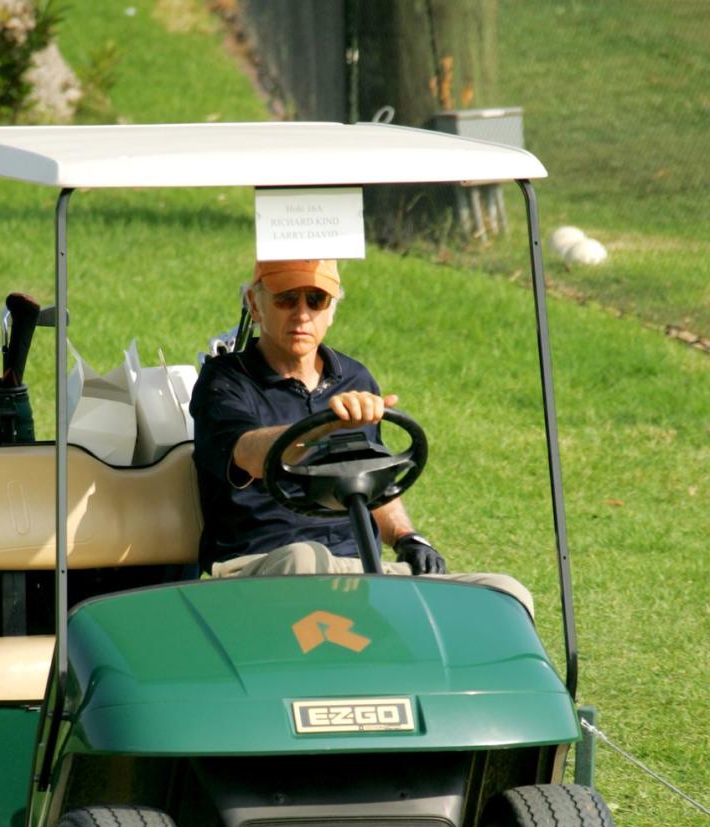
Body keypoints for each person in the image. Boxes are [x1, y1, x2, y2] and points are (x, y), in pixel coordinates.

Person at [189, 258, 533, 616]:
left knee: (505, 595)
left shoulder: (354, 379)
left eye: (316, 301)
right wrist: (327, 425)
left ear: (331, 311)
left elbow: (370, 477)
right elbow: (249, 454)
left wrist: (407, 538)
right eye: (287, 299)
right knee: (306, 559)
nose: (302, 314)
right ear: (254, 304)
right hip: (260, 569)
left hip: (357, 568)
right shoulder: (225, 381)